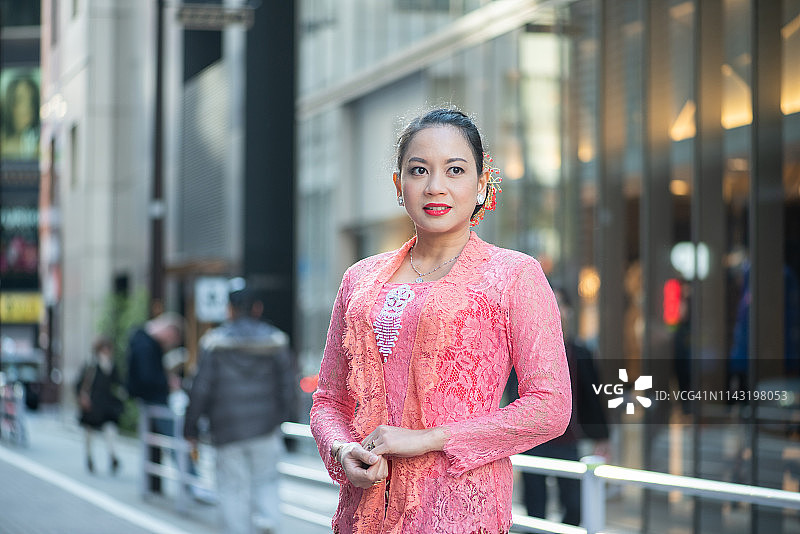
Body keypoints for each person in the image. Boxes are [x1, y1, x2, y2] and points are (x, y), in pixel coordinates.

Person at [310, 108, 571, 533]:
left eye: (455, 170)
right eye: (419, 170)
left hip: (459, 512)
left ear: (482, 183)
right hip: (364, 513)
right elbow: (329, 400)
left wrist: (426, 439)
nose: (436, 187)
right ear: (399, 185)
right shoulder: (358, 279)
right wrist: (342, 451)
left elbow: (551, 407)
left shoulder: (513, 275)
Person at [183, 286, 296, 534]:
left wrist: (190, 427)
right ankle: (267, 522)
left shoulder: (213, 343)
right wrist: (281, 418)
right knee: (266, 482)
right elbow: (288, 386)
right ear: (258, 308)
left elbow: (200, 388)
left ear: (230, 310)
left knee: (233, 489)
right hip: (266, 427)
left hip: (227, 429)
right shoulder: (276, 341)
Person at [519, 288, 609, 526]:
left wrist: (602, 436)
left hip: (568, 441)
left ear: (567, 311)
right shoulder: (524, 350)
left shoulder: (579, 352)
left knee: (574, 506)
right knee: (534, 507)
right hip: (533, 441)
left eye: (558, 304)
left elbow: (592, 396)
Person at [126, 312, 184, 493]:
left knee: (163, 441)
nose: (169, 343)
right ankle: (191, 482)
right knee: (174, 440)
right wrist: (166, 382)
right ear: (169, 331)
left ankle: (187, 482)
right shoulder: (146, 345)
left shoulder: (141, 340)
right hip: (154, 400)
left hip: (148, 399)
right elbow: (147, 376)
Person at [75, 336, 125, 474]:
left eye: (108, 349)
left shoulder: (112, 365)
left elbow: (119, 383)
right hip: (92, 405)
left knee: (110, 430)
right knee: (89, 434)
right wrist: (82, 397)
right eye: (104, 349)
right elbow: (79, 384)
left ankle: (113, 455)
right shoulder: (91, 364)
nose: (106, 352)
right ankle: (89, 457)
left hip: (107, 405)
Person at [1, 76, 40, 160]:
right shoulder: (3, 143)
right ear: (11, 105)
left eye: (31, 100)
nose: (28, 107)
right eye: (20, 100)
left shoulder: (39, 144)